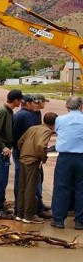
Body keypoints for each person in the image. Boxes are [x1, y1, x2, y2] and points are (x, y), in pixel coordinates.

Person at [0, 89, 23, 218]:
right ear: (16, 100)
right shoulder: (2, 112)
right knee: (1, 179)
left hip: (1, 149)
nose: (21, 102)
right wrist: (3, 147)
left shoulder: (9, 112)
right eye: (20, 100)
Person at [16, 112, 57, 223]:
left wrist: (24, 153)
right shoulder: (47, 131)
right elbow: (40, 145)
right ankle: (29, 216)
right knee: (31, 188)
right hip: (33, 161)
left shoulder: (33, 128)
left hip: (23, 159)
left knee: (22, 188)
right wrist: (43, 157)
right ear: (54, 123)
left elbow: (20, 142)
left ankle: (19, 213)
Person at [51, 96, 83, 229]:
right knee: (81, 188)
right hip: (81, 157)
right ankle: (80, 221)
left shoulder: (60, 119)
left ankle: (58, 219)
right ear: (81, 106)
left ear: (67, 106)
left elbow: (57, 132)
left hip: (65, 157)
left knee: (61, 187)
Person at [11, 95, 37, 214]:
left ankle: (19, 208)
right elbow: (30, 135)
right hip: (23, 151)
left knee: (20, 179)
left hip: (17, 149)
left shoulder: (17, 114)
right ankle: (21, 209)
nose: (35, 105)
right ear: (27, 104)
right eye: (33, 103)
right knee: (23, 181)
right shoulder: (26, 116)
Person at [32, 94, 52, 217]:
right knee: (35, 182)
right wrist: (43, 157)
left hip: (35, 152)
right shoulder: (30, 115)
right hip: (33, 153)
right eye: (44, 102)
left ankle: (40, 203)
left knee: (40, 178)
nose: (44, 104)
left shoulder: (38, 114)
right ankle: (37, 209)